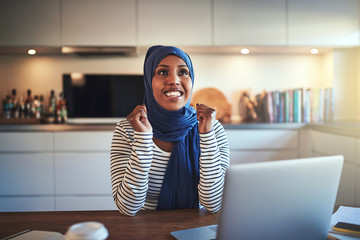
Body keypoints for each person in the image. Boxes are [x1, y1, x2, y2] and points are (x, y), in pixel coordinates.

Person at [110, 45, 230, 216]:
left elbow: (214, 203)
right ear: (148, 80)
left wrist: (207, 137)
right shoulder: (128, 130)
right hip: (146, 227)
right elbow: (127, 207)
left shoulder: (212, 127)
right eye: (162, 72)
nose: (174, 80)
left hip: (196, 226)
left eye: (182, 72)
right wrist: (143, 139)